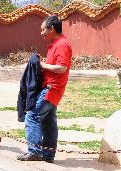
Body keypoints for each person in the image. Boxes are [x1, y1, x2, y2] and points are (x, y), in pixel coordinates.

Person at [18, 15, 72, 162]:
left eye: (43, 30)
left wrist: (41, 65)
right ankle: (48, 154)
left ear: (51, 29)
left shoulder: (62, 45)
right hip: (53, 90)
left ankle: (34, 151)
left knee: (32, 116)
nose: (41, 33)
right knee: (48, 121)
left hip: (51, 89)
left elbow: (62, 68)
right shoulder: (56, 44)